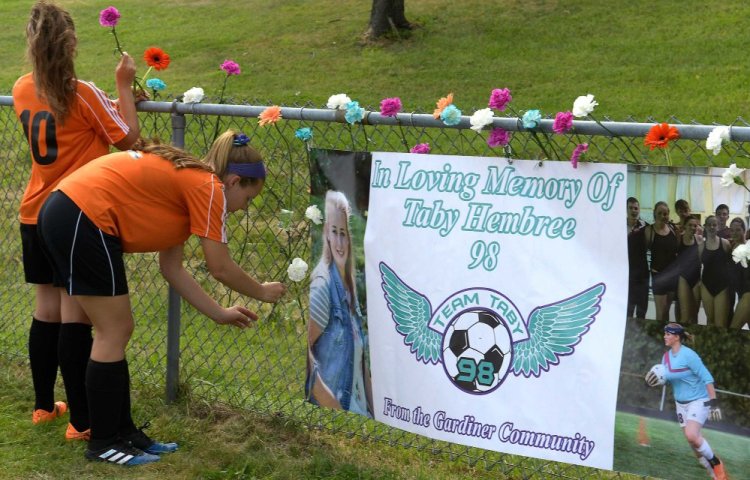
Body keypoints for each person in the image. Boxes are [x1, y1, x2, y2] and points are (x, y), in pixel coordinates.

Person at [37, 130, 286, 465]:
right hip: (82, 216)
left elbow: (172, 269)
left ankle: (123, 433)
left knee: (117, 330)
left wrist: (219, 313)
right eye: (249, 199)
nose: (243, 209)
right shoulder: (209, 188)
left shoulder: (192, 185)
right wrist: (261, 291)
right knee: (115, 330)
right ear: (234, 181)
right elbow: (221, 267)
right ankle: (104, 443)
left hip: (71, 212)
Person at [12, 0, 140, 441]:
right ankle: (81, 421)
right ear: (70, 44)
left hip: (32, 210)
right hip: (70, 214)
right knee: (73, 315)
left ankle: (43, 405)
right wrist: (124, 86)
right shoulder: (81, 92)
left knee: (44, 309)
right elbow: (127, 138)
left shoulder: (22, 87)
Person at [306, 191, 373, 417]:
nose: (340, 242)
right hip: (338, 408)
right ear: (326, 234)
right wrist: (333, 409)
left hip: (360, 409)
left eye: (343, 233)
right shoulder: (323, 285)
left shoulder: (349, 289)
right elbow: (305, 353)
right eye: (334, 232)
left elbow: (361, 366)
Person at [645, 323, 728, 480]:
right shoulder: (666, 357)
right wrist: (650, 382)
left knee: (691, 435)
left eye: (668, 334)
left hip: (698, 400)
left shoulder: (689, 355)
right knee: (694, 444)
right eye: (665, 333)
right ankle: (713, 474)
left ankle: (716, 463)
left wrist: (713, 402)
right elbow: (664, 378)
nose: (665, 336)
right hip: (680, 404)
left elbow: (707, 377)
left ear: (677, 337)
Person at [644, 202, 679, 321]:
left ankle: (666, 336)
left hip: (671, 276)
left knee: (667, 311)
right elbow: (641, 251)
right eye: (660, 213)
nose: (663, 216)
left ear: (668, 214)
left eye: (665, 213)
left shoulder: (673, 229)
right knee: (661, 312)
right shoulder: (649, 231)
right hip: (658, 275)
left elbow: (678, 249)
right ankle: (659, 335)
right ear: (654, 214)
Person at [699, 216, 732, 327]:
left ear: (718, 227)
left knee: (720, 323)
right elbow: (696, 267)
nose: (712, 227)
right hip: (706, 285)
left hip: (722, 286)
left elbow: (731, 264)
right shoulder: (701, 246)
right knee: (710, 320)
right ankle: (710, 343)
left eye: (714, 225)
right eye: (709, 224)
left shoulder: (725, 244)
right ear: (705, 226)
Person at [675, 215, 703, 323]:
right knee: (685, 317)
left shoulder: (699, 239)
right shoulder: (679, 239)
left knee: (694, 315)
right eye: (690, 225)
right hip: (683, 278)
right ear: (685, 226)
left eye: (695, 225)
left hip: (696, 278)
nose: (692, 228)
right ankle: (681, 339)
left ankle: (693, 339)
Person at [627, 197, 649, 319]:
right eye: (630, 208)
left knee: (642, 311)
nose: (633, 210)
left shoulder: (645, 226)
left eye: (636, 208)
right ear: (626, 209)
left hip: (642, 274)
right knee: (627, 310)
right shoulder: (619, 226)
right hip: (626, 274)